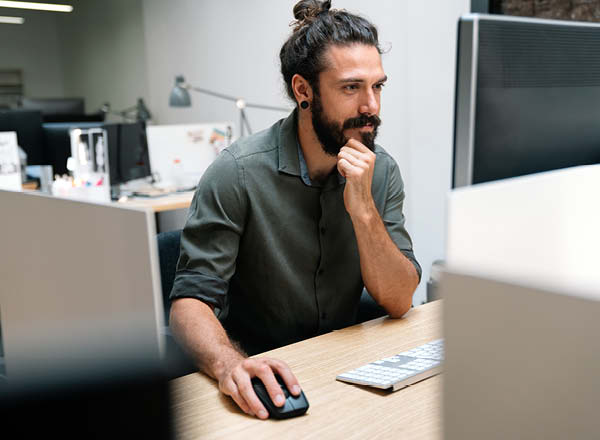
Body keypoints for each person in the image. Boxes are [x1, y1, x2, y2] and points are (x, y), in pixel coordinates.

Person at [169, 0, 421, 420]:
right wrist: (230, 365)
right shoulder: (236, 173)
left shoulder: (382, 171)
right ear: (304, 90)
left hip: (342, 371)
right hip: (262, 374)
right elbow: (189, 304)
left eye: (377, 86)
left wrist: (363, 211)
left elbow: (398, 300)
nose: (371, 106)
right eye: (351, 87)